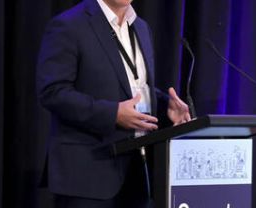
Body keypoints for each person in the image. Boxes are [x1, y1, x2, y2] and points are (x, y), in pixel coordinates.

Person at [36, 0, 191, 207]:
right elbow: (53, 92)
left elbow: (136, 87)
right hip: (87, 175)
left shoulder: (141, 27)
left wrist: (165, 105)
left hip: (138, 175)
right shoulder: (69, 25)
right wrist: (113, 114)